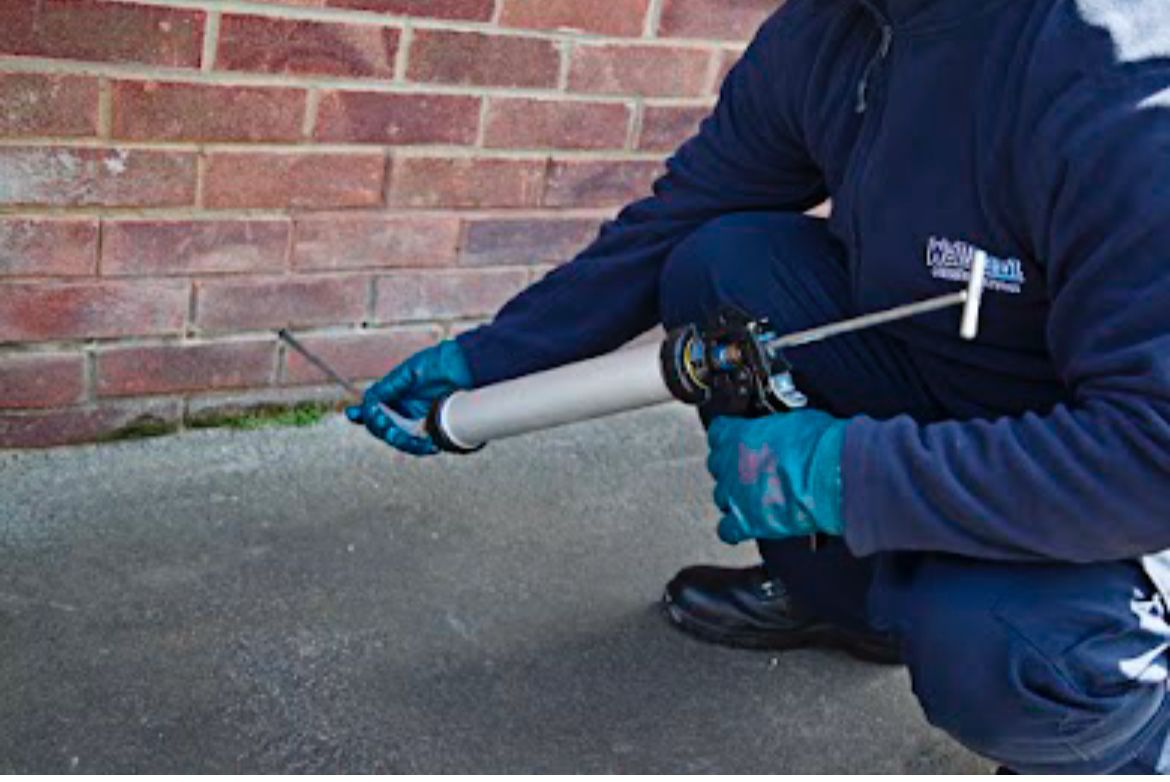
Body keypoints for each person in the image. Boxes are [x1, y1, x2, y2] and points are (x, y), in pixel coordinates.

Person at [347, 0, 1170, 772]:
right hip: (943, 379)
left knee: (1016, 651)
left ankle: (1128, 742)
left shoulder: (1116, 84)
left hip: (1096, 488)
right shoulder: (838, 28)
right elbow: (686, 212)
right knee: (724, 265)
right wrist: (493, 359)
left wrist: (846, 470)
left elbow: (1152, 458)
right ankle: (850, 606)